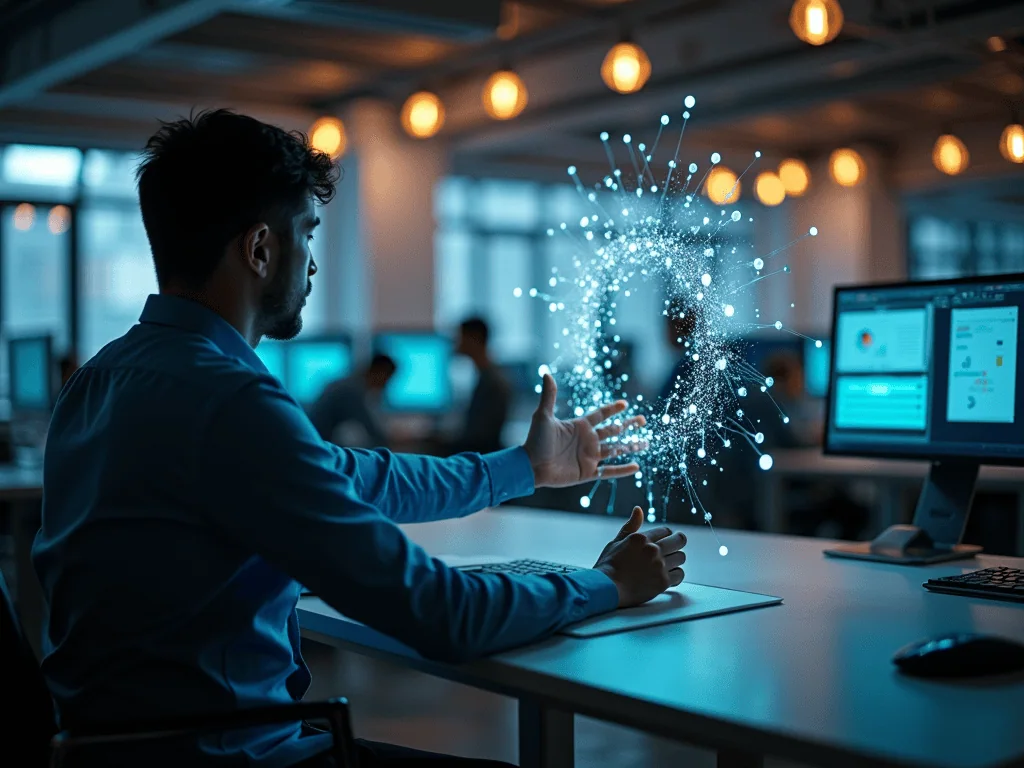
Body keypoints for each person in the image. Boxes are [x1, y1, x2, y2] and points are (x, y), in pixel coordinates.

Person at [32, 110, 686, 768]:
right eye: (307, 235)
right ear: (260, 249)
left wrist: (523, 466)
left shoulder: (97, 382)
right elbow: (442, 614)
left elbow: (360, 476)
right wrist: (607, 585)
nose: (312, 265)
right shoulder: (230, 401)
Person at [446, 317, 511, 456]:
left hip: (480, 460)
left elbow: (478, 439)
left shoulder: (492, 383)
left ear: (473, 339)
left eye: (459, 336)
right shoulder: (487, 376)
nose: (455, 342)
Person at [307, 353, 396, 447]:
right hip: (318, 443)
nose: (386, 385)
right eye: (387, 378)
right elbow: (369, 427)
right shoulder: (352, 390)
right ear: (379, 372)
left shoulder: (349, 384)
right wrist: (389, 448)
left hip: (318, 440)